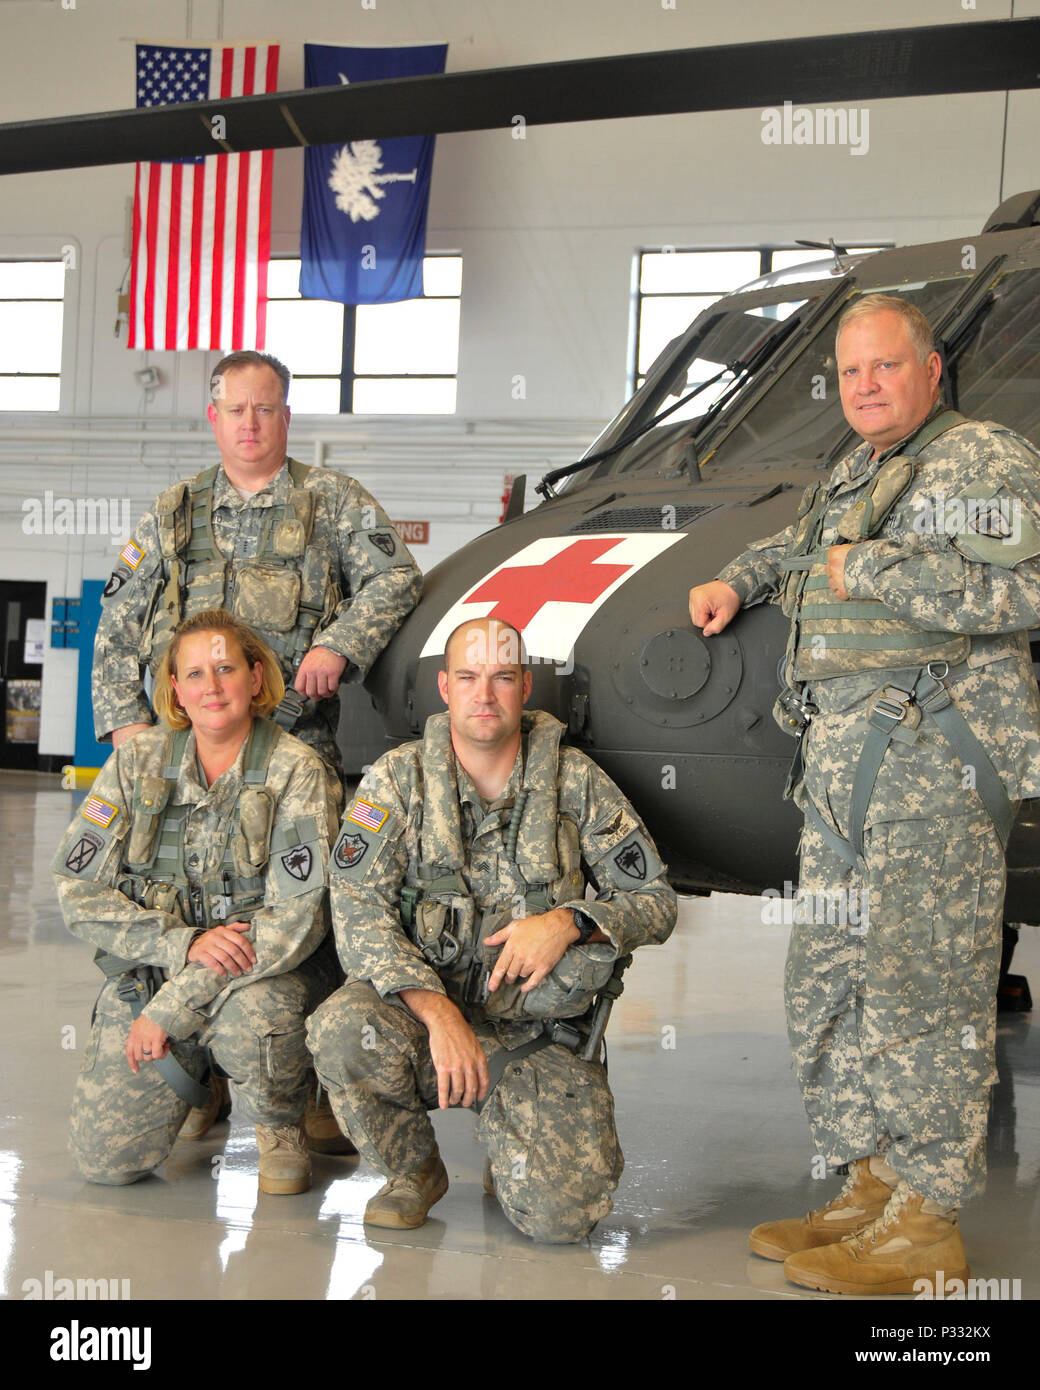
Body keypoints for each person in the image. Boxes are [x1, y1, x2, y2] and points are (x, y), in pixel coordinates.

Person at [689, 294, 1040, 1294]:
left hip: (934, 755)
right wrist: (738, 580)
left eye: (884, 367)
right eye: (848, 373)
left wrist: (874, 568)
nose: (865, 386)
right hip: (845, 768)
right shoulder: (857, 468)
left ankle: (925, 1221)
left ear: (930, 369)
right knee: (827, 985)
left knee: (917, 989)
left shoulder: (980, 458)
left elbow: (1021, 587)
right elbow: (805, 550)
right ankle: (868, 1182)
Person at [306, 616, 677, 1242]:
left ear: (524, 686)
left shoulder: (576, 781)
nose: (485, 695)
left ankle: (513, 1141)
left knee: (564, 1221)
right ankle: (412, 1171)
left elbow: (656, 900)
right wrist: (440, 1016)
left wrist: (570, 922)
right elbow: (357, 910)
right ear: (445, 688)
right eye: (470, 678)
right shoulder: (397, 780)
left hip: (537, 1032)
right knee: (342, 1030)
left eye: (502, 678)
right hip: (425, 1024)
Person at [54, 610, 337, 1195]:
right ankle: (199, 1079)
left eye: (226, 668)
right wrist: (180, 944)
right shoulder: (136, 763)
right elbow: (77, 891)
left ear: (256, 678)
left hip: (260, 975)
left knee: (257, 1019)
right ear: (176, 689)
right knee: (105, 1165)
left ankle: (281, 1122)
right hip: (157, 969)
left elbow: (295, 921)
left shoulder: (296, 770)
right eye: (195, 673)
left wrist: (174, 1003)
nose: (211, 686)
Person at [92, 349, 422, 779]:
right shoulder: (173, 510)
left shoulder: (336, 500)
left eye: (264, 409)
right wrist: (125, 722)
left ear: (286, 416)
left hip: (293, 745)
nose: (249, 423)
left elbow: (397, 577)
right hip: (179, 748)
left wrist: (338, 644)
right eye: (236, 409)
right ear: (214, 415)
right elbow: (118, 627)